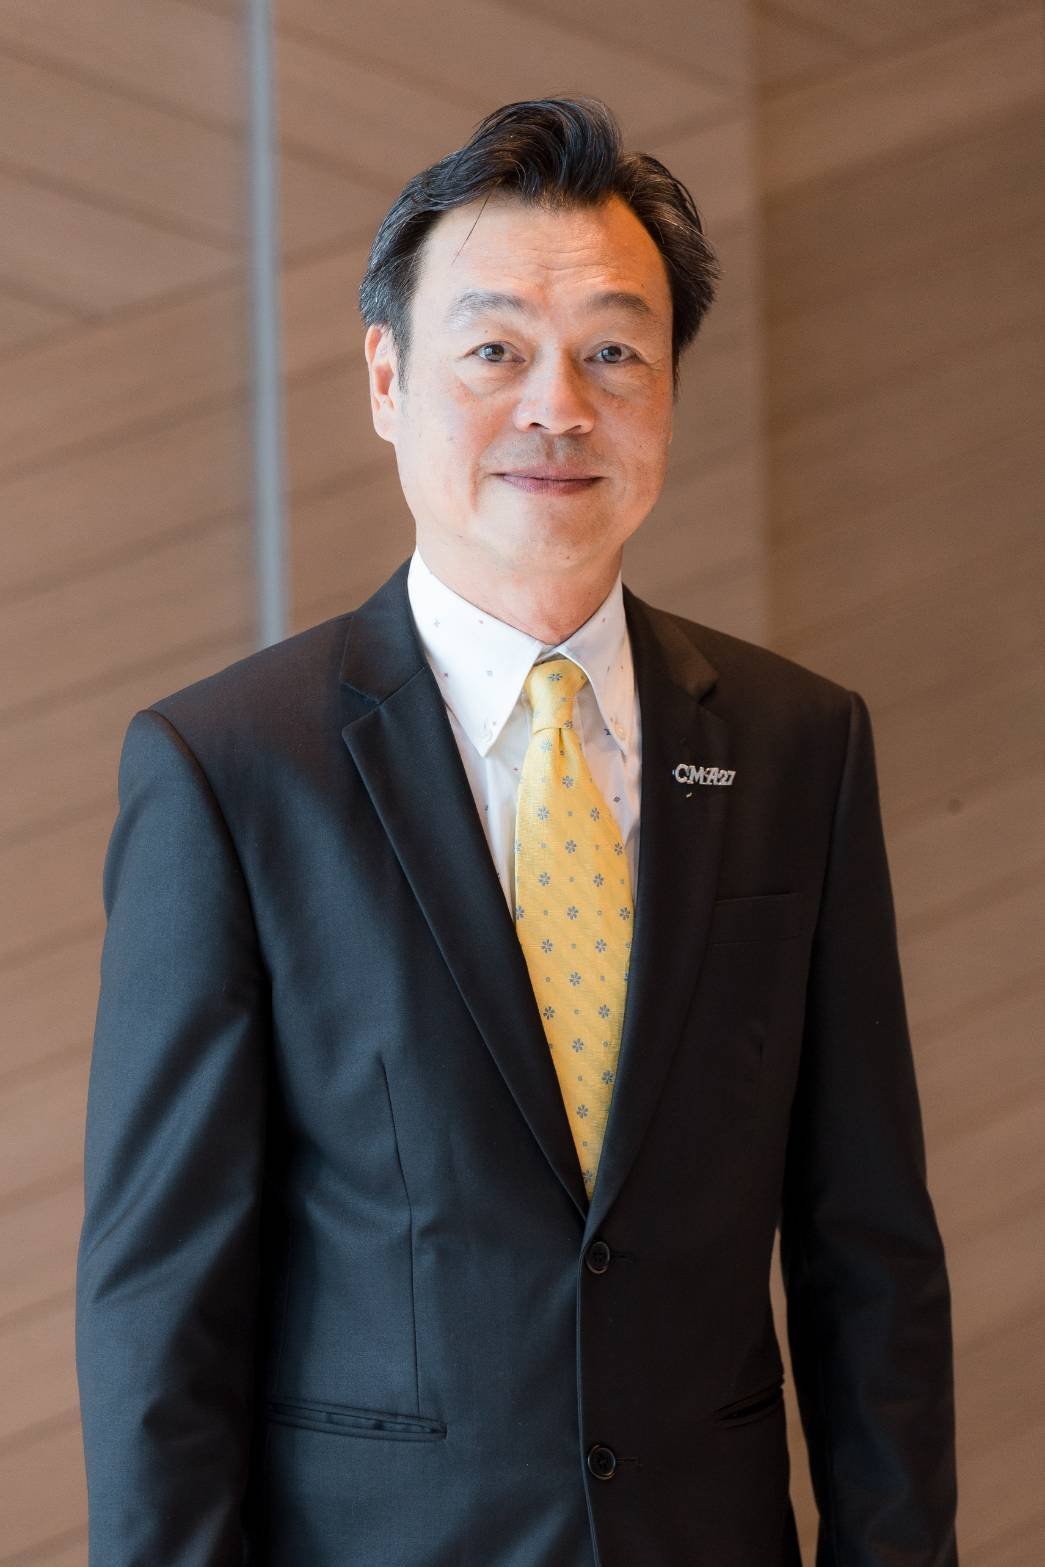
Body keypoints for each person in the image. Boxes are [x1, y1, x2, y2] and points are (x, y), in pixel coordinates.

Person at [75, 95, 959, 1566]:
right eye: (494, 351)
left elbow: (868, 1251)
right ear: (387, 379)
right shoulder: (231, 769)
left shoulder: (799, 745)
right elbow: (163, 1301)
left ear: (667, 390)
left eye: (615, 352)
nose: (560, 407)